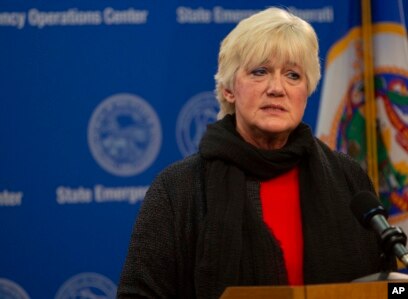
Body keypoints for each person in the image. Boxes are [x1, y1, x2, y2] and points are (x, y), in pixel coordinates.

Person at [117, 7, 395, 299]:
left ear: (307, 90)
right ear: (228, 89)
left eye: (293, 75)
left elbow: (389, 289)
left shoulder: (348, 178)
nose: (277, 88)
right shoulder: (178, 189)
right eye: (260, 72)